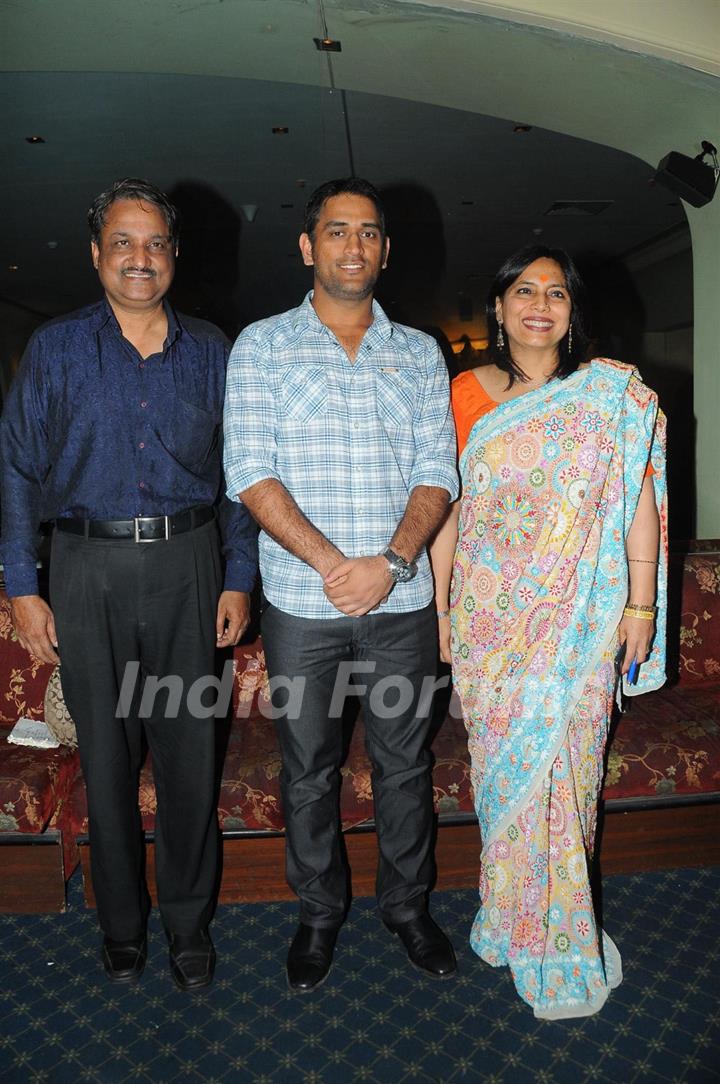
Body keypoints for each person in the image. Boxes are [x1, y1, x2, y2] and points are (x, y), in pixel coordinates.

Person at [0, 179, 258, 991]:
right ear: (96, 254)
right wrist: (21, 582)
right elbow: (14, 465)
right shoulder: (57, 348)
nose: (139, 259)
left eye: (154, 244)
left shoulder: (215, 349)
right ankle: (121, 925)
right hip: (85, 572)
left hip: (189, 567)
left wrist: (239, 576)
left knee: (190, 756)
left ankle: (187, 922)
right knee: (106, 759)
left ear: (174, 254)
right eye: (122, 242)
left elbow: (243, 474)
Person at [223, 177, 459, 991]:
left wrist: (389, 565)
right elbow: (249, 471)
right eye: (336, 231)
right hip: (301, 605)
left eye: (368, 233)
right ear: (307, 245)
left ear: (385, 251)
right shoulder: (260, 345)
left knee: (404, 766)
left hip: (402, 606)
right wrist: (332, 567)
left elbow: (437, 472)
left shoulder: (421, 352)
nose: (352, 246)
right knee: (308, 769)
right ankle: (318, 914)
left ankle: (408, 908)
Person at [430, 245, 667, 1019]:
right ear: (497, 309)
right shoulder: (465, 392)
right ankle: (509, 913)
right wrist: (437, 610)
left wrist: (641, 605)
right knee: (504, 780)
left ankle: (558, 940)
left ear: (573, 310)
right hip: (489, 622)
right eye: (523, 291)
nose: (540, 303)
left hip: (581, 621)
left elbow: (637, 501)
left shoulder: (608, 398)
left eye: (555, 292)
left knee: (569, 779)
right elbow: (450, 509)